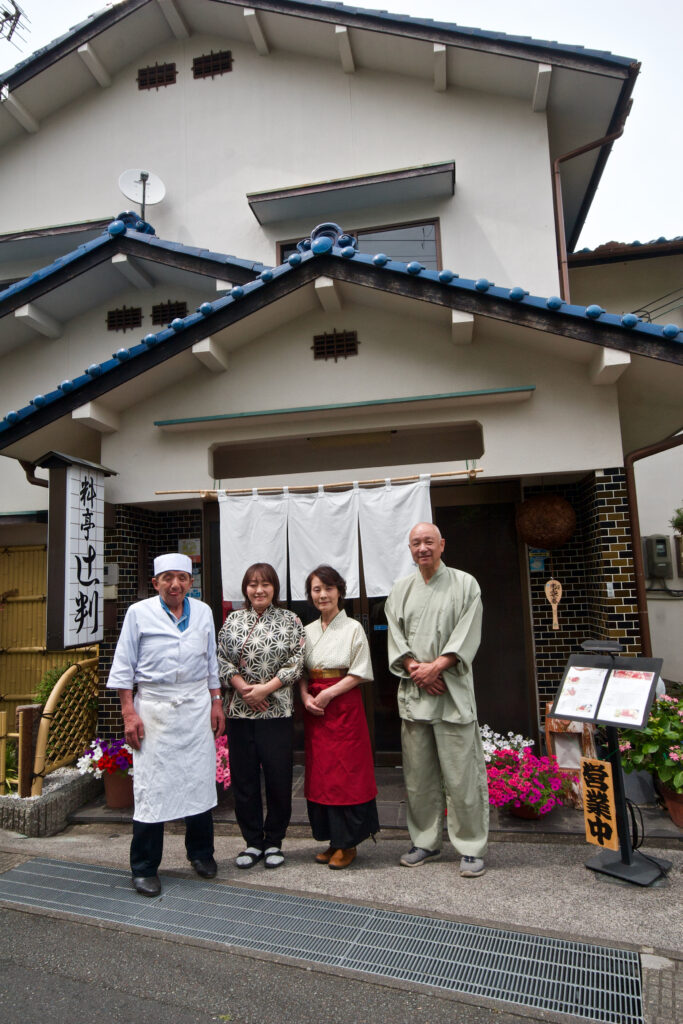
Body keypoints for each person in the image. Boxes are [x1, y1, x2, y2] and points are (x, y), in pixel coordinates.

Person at [107, 552, 225, 897]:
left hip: (195, 707)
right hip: (154, 709)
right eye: (168, 578)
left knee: (199, 782)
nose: (175, 585)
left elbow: (211, 663)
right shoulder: (138, 613)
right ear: (155, 582)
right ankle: (144, 867)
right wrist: (129, 713)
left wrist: (217, 701)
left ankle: (201, 854)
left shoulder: (202, 612)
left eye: (182, 578)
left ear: (191, 582)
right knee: (152, 787)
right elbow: (123, 668)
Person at [385, 522, 488, 877]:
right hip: (417, 694)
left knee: (462, 774)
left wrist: (439, 667)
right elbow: (395, 638)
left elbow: (467, 633)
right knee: (419, 777)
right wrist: (418, 669)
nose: (422, 548)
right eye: (416, 543)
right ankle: (425, 841)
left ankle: (471, 846)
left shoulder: (465, 584)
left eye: (429, 541)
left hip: (452, 692)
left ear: (442, 544)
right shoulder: (400, 589)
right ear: (409, 549)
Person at [217, 563, 305, 869]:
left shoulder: (290, 619)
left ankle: (274, 841)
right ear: (245, 589)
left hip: (276, 710)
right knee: (244, 780)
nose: (259, 590)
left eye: (265, 584)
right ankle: (253, 842)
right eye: (253, 584)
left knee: (279, 778)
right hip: (240, 712)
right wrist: (243, 689)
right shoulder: (232, 621)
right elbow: (221, 660)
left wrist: (265, 690)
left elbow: (296, 661)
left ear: (274, 588)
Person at [299, 565, 379, 870]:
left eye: (328, 588)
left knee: (347, 773)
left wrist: (330, 694)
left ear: (339, 592)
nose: (322, 595)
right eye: (316, 589)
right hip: (316, 710)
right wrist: (305, 696)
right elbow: (301, 672)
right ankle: (334, 839)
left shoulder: (353, 629)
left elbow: (359, 671)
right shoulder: (307, 631)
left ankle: (350, 843)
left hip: (343, 705)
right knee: (323, 774)